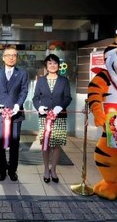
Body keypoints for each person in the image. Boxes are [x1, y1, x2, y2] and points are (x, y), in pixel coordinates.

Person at [0, 47, 29, 181]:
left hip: (16, 115)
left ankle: (12, 170)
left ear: (17, 58)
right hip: (0, 115)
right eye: (8, 55)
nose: (11, 57)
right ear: (3, 57)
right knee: (0, 144)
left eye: (14, 55)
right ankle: (1, 170)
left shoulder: (22, 73)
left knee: (15, 143)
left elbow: (24, 91)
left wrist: (18, 104)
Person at [32, 54, 72, 183]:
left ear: (58, 66)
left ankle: (53, 169)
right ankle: (45, 169)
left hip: (59, 117)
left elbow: (67, 97)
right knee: (46, 144)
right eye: (50, 63)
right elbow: (35, 98)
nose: (52, 65)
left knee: (56, 145)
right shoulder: (41, 80)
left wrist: (60, 107)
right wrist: (39, 107)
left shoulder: (64, 80)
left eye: (55, 63)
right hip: (44, 117)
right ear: (46, 66)